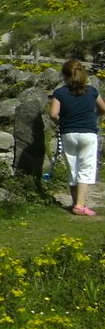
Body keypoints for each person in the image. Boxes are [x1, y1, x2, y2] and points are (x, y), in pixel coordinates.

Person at [49, 58, 105, 215]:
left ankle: (75, 203)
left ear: (64, 76)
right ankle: (80, 205)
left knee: (72, 168)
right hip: (88, 132)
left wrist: (64, 121)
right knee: (86, 167)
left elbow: (53, 114)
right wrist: (94, 116)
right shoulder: (92, 91)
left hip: (68, 132)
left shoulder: (59, 92)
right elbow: (103, 108)